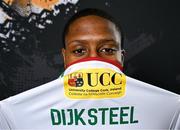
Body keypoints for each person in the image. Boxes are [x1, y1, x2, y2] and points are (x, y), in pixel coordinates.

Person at [0, 8, 180, 130]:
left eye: (108, 50)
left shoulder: (171, 107)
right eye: (79, 50)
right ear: (65, 57)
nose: (93, 60)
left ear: (121, 57)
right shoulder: (12, 113)